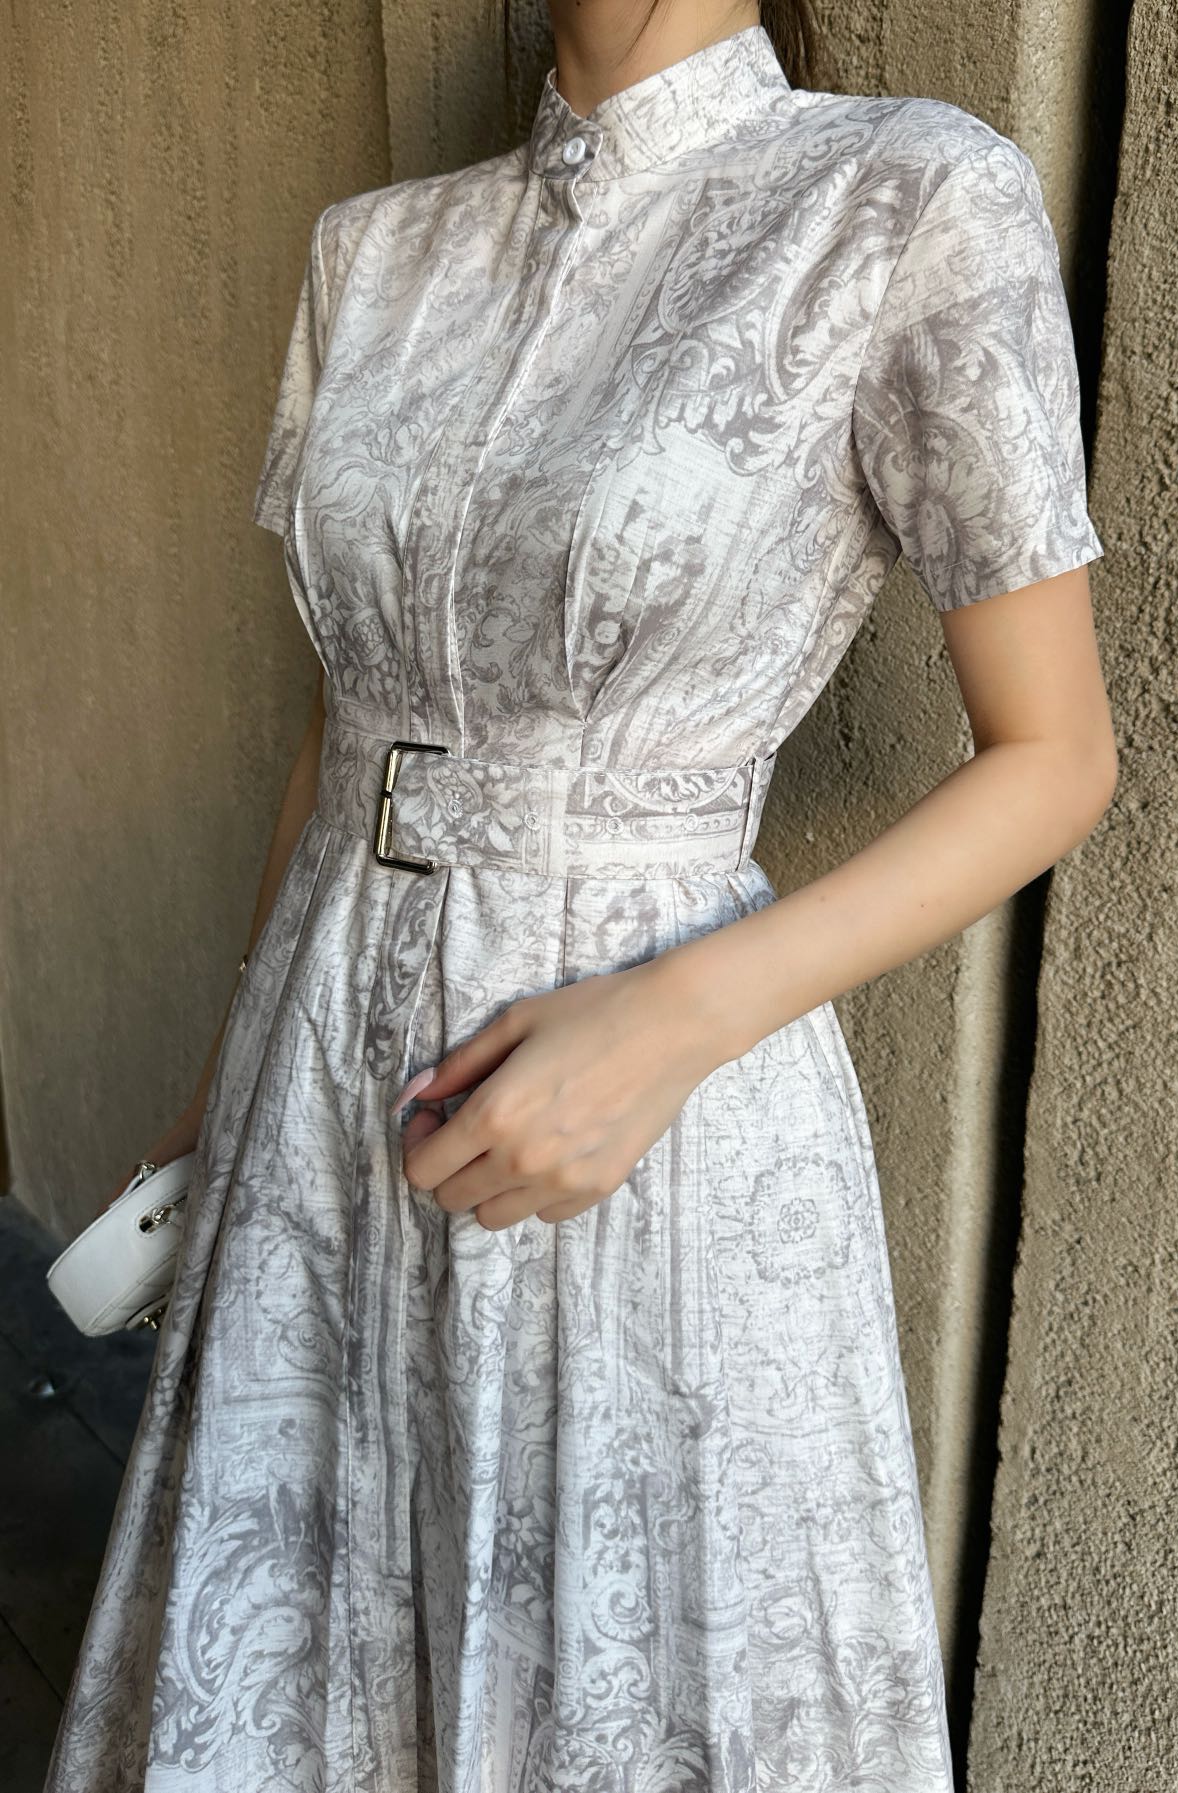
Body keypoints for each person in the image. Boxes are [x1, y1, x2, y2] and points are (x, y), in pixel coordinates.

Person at [45, 2, 1115, 1788]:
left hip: (651, 1116)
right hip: (320, 1102)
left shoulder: (900, 197)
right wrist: (230, 1076)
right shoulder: (372, 255)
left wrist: (670, 1022)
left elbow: (1055, 755)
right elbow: (344, 726)